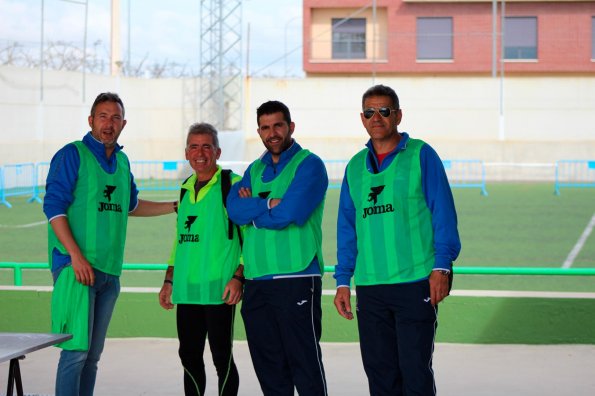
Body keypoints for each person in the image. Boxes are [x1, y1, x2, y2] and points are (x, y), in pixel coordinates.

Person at [43, 92, 176, 396]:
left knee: (92, 357)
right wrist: (75, 257)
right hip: (76, 268)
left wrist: (174, 205)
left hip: (109, 272)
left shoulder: (122, 161)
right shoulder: (72, 154)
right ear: (91, 120)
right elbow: (54, 209)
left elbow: (130, 205)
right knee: (75, 353)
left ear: (123, 124)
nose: (109, 123)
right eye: (102, 116)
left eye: (115, 117)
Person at [333, 84, 461, 396]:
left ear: (398, 115)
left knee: (415, 372)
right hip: (370, 286)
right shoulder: (354, 168)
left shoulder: (421, 154)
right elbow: (347, 229)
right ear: (362, 119)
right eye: (369, 112)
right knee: (380, 375)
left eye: (384, 111)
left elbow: (443, 213)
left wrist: (442, 267)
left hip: (415, 281)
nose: (376, 117)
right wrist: (342, 280)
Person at [226, 100, 329, 395]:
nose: (272, 133)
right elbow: (234, 209)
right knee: (270, 370)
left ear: (290, 127)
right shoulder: (254, 169)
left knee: (305, 366)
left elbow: (292, 212)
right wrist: (268, 204)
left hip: (296, 277)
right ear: (259, 131)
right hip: (257, 281)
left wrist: (254, 213)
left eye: (278, 126)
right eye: (265, 127)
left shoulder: (309, 164)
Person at [158, 122, 244, 396]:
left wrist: (239, 276)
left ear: (217, 152)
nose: (200, 152)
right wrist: (169, 280)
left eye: (207, 146)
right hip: (187, 290)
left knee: (222, 358)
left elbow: (249, 238)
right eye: (194, 146)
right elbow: (179, 241)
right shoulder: (184, 189)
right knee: (189, 358)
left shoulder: (233, 184)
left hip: (218, 289)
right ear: (186, 153)